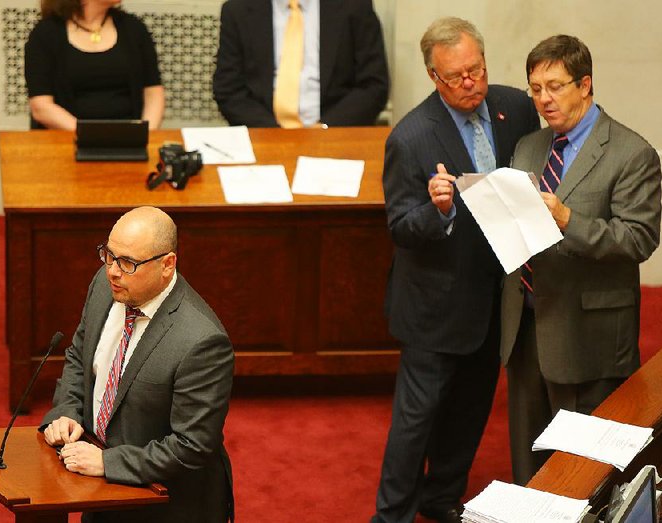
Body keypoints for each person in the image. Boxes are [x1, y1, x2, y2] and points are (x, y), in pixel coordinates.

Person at [372, 17, 539, 523]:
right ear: (433, 77)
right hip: (435, 306)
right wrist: (439, 210)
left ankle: (442, 498)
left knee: (470, 412)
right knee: (414, 423)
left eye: (476, 70)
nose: (471, 83)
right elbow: (400, 227)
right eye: (456, 77)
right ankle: (392, 514)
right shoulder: (411, 137)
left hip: (497, 299)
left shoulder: (516, 107)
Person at [502, 34, 662, 485]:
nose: (543, 99)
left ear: (585, 84)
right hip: (526, 326)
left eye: (555, 86)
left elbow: (639, 239)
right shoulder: (529, 147)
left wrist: (567, 218)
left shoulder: (632, 153)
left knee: (584, 474)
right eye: (535, 89)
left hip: (588, 335)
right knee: (529, 468)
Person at [40, 206, 234, 522]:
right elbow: (80, 356)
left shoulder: (201, 342)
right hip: (100, 490)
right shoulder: (106, 288)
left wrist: (109, 463)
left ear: (167, 264)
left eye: (128, 263)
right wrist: (66, 411)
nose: (113, 271)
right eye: (109, 255)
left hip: (165, 504)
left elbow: (192, 446)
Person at [212, 0, 389, 128]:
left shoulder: (355, 6)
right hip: (264, 132)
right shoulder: (238, 10)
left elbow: (373, 86)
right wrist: (274, 132)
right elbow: (229, 90)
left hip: (334, 132)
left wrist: (325, 128)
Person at [24, 0, 164, 130]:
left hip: (129, 138)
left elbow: (153, 92)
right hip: (67, 137)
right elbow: (41, 107)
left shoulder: (134, 28)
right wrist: (90, 135)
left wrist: (145, 134)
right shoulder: (45, 33)